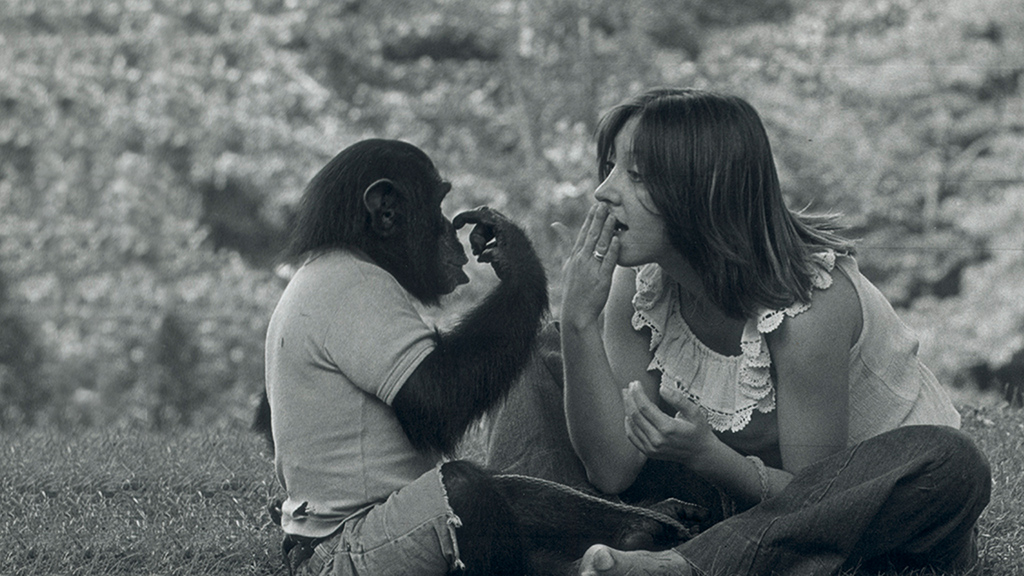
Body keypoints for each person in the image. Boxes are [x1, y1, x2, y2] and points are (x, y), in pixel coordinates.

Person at [535, 88, 990, 575]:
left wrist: (709, 455)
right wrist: (579, 320)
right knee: (543, 348)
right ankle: (525, 534)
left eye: (637, 175)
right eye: (609, 167)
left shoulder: (809, 309)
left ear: (703, 191)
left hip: (877, 516)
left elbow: (812, 507)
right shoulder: (641, 282)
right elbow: (613, 468)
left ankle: (676, 567)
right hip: (731, 501)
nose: (604, 191)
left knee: (953, 459)